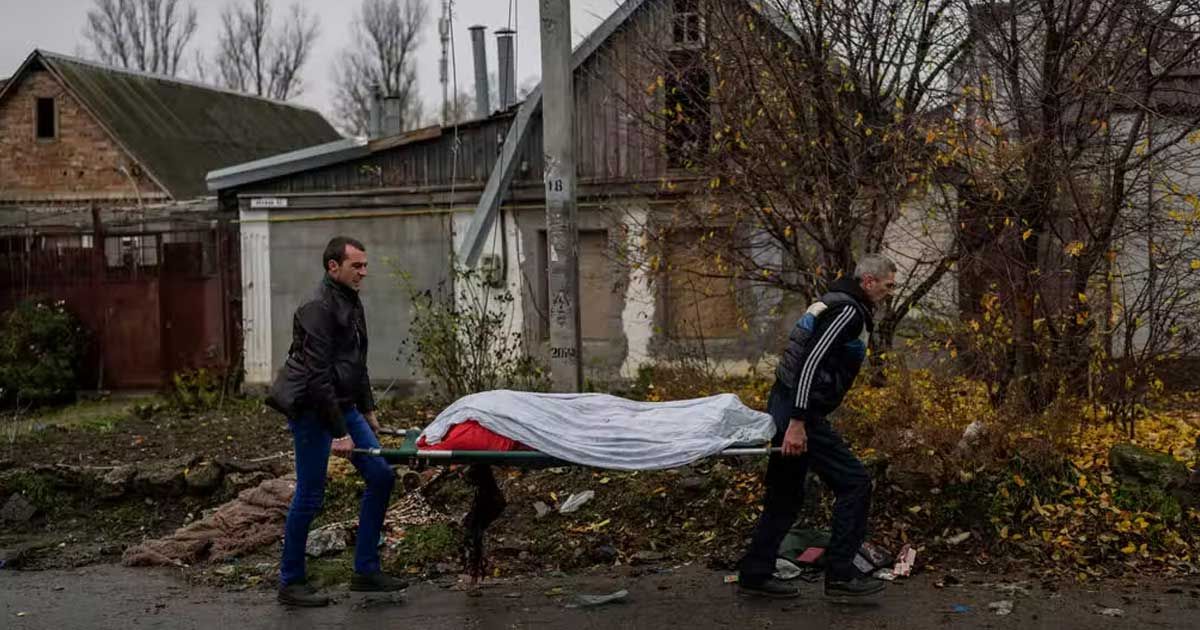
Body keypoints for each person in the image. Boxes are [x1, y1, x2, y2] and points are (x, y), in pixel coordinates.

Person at [737, 254, 897, 599]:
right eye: (888, 285)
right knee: (855, 483)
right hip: (798, 412)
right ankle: (840, 574)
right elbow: (811, 363)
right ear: (868, 281)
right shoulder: (849, 311)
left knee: (785, 494)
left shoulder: (833, 302)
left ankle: (754, 572)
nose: (890, 292)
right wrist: (798, 423)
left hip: (789, 404)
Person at [267, 236, 405, 607]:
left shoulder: (350, 300)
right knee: (310, 495)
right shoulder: (317, 307)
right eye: (356, 266)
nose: (364, 272)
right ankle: (291, 582)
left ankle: (365, 571)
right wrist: (340, 433)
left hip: (342, 405)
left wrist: (369, 410)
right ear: (333, 267)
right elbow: (317, 377)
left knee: (381, 476)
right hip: (313, 408)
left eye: (364, 265)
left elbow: (355, 363)